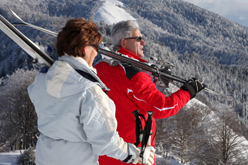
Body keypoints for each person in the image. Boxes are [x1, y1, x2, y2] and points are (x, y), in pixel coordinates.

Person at [28, 18, 155, 165]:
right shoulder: (89, 90)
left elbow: (37, 93)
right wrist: (134, 154)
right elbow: (105, 140)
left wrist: (49, 70)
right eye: (96, 48)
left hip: (45, 158)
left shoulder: (42, 81)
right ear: (85, 49)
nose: (97, 54)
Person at [95, 20, 206, 165]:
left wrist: (151, 80)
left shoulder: (99, 68)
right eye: (139, 39)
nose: (143, 42)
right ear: (124, 43)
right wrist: (187, 92)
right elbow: (162, 107)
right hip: (133, 154)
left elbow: (125, 94)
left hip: (104, 154)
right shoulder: (134, 74)